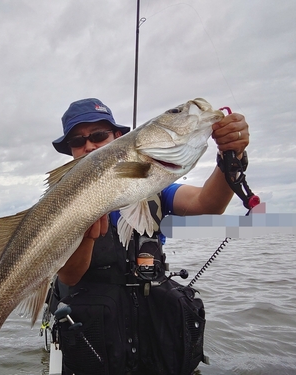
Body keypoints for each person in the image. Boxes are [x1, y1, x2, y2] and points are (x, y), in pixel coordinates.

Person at [50, 98, 249, 375]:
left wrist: (232, 157)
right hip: (96, 339)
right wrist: (86, 237)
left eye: (98, 135)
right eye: (77, 141)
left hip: (152, 337)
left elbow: (209, 204)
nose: (89, 145)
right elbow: (69, 277)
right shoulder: (64, 204)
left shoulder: (157, 186)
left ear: (119, 137)